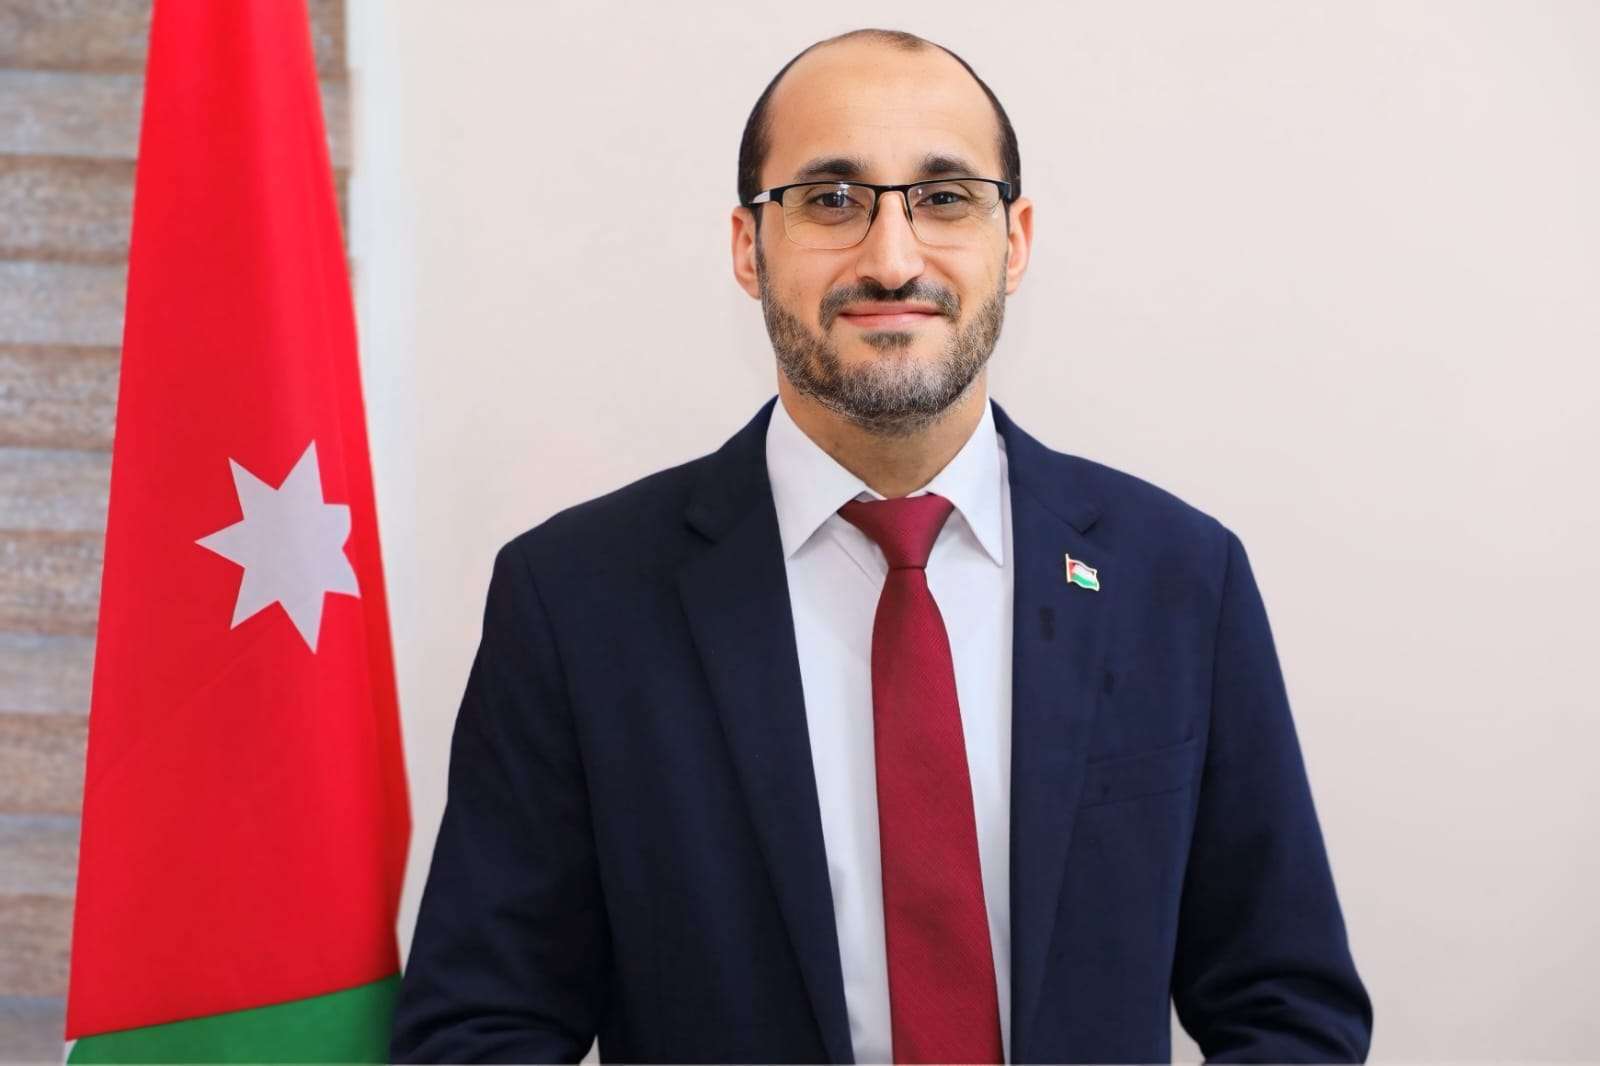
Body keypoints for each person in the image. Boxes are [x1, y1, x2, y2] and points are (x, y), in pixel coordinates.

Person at [390, 27, 1373, 1065]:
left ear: (1015, 239)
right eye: (830, 200)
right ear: (748, 247)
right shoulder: (576, 600)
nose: (893, 258)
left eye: (944, 198)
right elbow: (481, 1029)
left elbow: (1287, 1010)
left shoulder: (1177, 578)